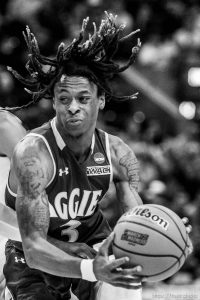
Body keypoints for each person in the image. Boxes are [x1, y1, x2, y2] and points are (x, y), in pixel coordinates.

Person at [2, 12, 192, 300]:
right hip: (35, 260)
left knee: (126, 282)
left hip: (93, 245)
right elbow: (34, 247)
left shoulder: (118, 152)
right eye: (64, 99)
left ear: (101, 100)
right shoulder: (33, 154)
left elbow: (133, 218)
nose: (73, 107)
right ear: (53, 102)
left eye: (83, 98)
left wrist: (165, 230)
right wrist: (90, 269)